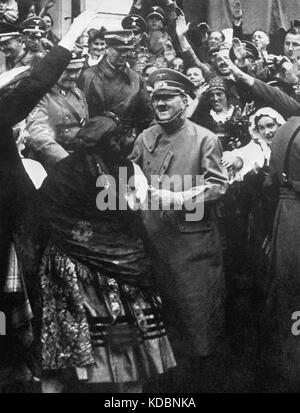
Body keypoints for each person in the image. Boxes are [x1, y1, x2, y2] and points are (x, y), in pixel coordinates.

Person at [37, 114, 176, 393]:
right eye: (118, 137)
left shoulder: (72, 169)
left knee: (89, 349)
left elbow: (46, 217)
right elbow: (129, 216)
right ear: (108, 141)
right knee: (122, 352)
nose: (124, 141)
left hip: (80, 266)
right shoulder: (110, 169)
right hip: (96, 271)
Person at [0, 8, 102, 384]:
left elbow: (29, 82)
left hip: (14, 220)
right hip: (12, 223)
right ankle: (22, 363)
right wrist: (71, 35)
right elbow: (36, 84)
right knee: (25, 293)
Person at [130, 68, 228, 392]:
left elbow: (218, 187)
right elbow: (128, 179)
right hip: (154, 246)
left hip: (193, 251)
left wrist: (180, 197)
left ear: (185, 102)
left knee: (197, 327)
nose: (160, 103)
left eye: (167, 97)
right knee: (161, 330)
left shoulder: (205, 138)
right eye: (156, 98)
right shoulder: (144, 138)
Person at [262, 116, 300, 391]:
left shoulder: (287, 127)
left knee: (288, 300)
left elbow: (269, 183)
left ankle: (288, 368)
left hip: (285, 218)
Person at [78, 29, 153, 138]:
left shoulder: (136, 79)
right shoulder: (89, 76)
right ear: (107, 49)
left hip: (126, 145)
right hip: (96, 143)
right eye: (119, 50)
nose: (124, 55)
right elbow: (80, 114)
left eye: (127, 50)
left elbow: (146, 117)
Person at [26, 51, 89, 171]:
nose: (74, 76)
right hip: (51, 163)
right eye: (68, 71)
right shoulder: (41, 95)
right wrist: (66, 161)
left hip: (75, 159)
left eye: (77, 71)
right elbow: (38, 135)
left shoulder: (78, 93)